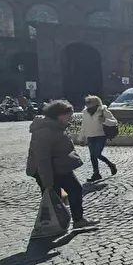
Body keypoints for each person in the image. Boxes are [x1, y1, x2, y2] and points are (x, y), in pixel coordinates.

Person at [26, 100, 96, 229]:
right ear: (59, 114)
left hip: (59, 167)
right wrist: (47, 182)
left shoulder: (56, 127)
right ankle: (55, 225)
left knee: (74, 190)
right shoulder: (45, 131)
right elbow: (42, 158)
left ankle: (76, 220)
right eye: (68, 115)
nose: (71, 118)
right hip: (48, 169)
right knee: (55, 196)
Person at [79, 95, 118, 182]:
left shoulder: (103, 110)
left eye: (89, 102)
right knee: (92, 156)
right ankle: (96, 173)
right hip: (90, 136)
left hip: (100, 135)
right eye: (86, 102)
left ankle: (110, 164)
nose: (87, 104)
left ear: (95, 103)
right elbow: (84, 125)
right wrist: (81, 138)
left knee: (97, 154)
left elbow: (114, 122)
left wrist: (105, 120)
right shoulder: (85, 112)